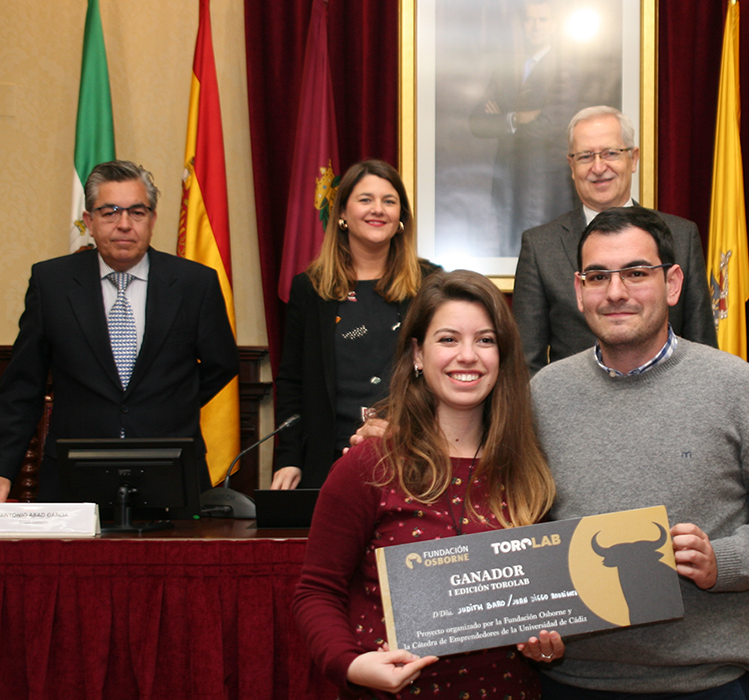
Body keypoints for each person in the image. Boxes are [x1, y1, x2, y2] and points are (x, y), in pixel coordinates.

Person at [529, 207, 749, 697]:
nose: (616, 292)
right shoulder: (543, 393)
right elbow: (520, 520)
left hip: (704, 682)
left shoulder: (740, 388)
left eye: (636, 273)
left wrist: (722, 562)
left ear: (671, 284)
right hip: (569, 679)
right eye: (598, 276)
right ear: (579, 291)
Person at [293, 270, 564, 697]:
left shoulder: (528, 470)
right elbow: (316, 592)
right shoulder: (369, 465)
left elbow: (544, 603)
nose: (468, 356)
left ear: (503, 356)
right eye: (448, 339)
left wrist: (548, 644)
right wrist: (351, 664)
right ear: (418, 353)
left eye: (485, 340)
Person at [0, 160, 239, 512]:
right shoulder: (51, 282)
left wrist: (171, 402)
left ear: (152, 219)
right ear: (89, 220)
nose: (124, 224)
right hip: (73, 470)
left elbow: (223, 363)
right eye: (110, 212)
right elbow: (23, 384)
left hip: (171, 466)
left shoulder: (195, 282)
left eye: (137, 212)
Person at [270, 160, 440, 490]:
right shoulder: (309, 288)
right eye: (365, 200)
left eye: (389, 201)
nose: (378, 209)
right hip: (329, 459)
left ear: (401, 217)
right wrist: (289, 457)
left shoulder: (429, 283)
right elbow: (292, 381)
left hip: (413, 456)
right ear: (343, 214)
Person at [513, 105, 717, 374]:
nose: (598, 167)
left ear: (633, 159)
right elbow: (525, 363)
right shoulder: (541, 246)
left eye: (610, 153)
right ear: (572, 166)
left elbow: (702, 349)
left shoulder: (681, 236)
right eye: (585, 156)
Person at [468, 0, 581, 251]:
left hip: (543, 186)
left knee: (543, 254)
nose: (535, 26)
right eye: (529, 20)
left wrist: (502, 120)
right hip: (506, 181)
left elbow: (549, 125)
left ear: (553, 25)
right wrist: (516, 118)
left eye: (542, 20)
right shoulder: (506, 69)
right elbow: (477, 122)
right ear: (521, 24)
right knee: (508, 251)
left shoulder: (565, 69)